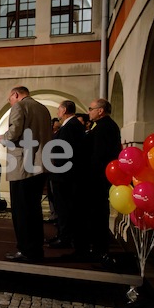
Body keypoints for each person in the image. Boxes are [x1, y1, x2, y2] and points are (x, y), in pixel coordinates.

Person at [0, 86, 52, 263]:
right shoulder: (43, 109)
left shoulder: (20, 107)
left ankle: (25, 250)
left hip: (23, 165)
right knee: (34, 210)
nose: (10, 102)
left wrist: (1, 138)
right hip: (40, 164)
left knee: (21, 211)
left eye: (10, 99)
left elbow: (13, 134)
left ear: (15, 95)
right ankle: (36, 249)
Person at [83, 98, 122, 261]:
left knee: (97, 213)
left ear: (100, 110)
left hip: (98, 177)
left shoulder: (104, 127)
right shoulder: (104, 126)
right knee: (96, 212)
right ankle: (97, 246)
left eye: (91, 108)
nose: (89, 112)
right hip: (100, 176)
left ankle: (99, 248)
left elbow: (98, 155)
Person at [47, 100, 85, 250]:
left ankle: (65, 238)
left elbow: (65, 151)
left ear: (63, 110)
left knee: (64, 208)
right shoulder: (71, 125)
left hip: (64, 175)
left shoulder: (71, 126)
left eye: (58, 109)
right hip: (63, 174)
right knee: (62, 207)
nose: (57, 112)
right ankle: (63, 234)